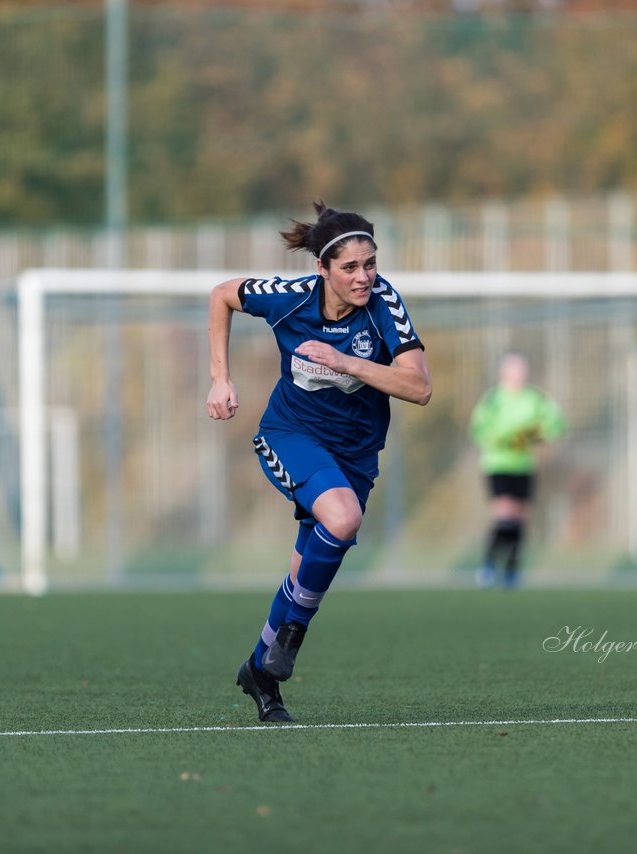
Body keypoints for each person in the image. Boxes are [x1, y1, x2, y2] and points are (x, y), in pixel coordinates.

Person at [206, 200, 431, 723]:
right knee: (344, 518)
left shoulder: (385, 306)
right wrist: (220, 377)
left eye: (370, 264)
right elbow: (222, 296)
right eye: (350, 268)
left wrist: (346, 361)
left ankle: (260, 671)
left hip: (356, 452)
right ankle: (293, 637)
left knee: (305, 565)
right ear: (322, 270)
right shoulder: (288, 298)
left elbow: (419, 387)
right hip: (291, 434)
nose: (363, 277)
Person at [468, 353, 566, 588]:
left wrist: (540, 434)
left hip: (524, 465)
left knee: (520, 519)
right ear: (505, 374)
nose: (519, 377)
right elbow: (479, 429)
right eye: (514, 373)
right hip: (498, 464)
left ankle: (512, 569)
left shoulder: (534, 398)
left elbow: (556, 424)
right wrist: (506, 438)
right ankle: (489, 564)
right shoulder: (494, 399)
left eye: (522, 373)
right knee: (505, 515)